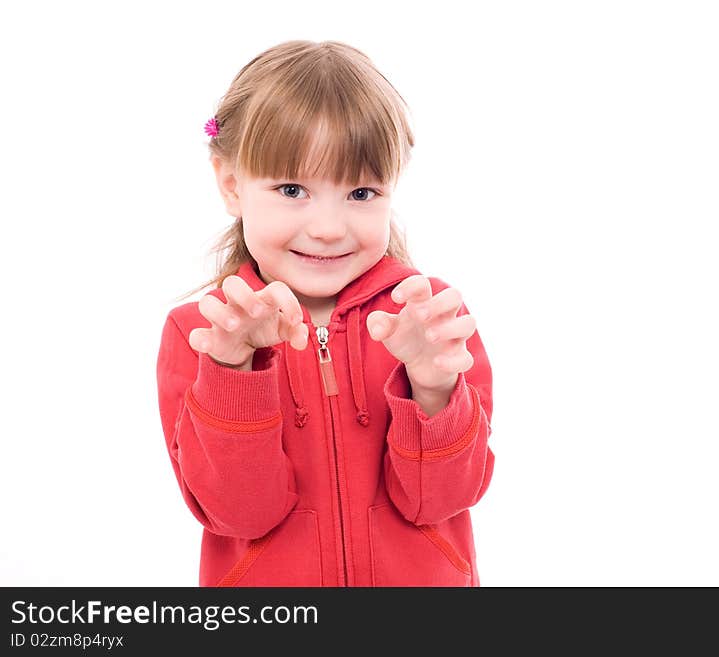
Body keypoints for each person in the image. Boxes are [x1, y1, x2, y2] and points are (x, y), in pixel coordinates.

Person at [155, 40, 494, 587]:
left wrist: (433, 388)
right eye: (293, 189)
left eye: (361, 193)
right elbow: (238, 514)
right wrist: (232, 371)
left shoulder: (429, 321)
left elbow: (443, 500)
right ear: (230, 184)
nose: (330, 227)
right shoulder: (200, 334)